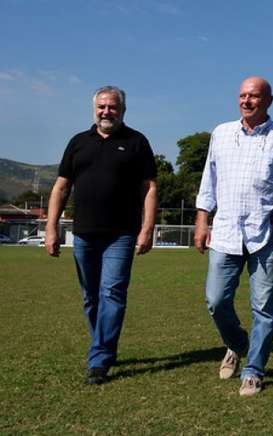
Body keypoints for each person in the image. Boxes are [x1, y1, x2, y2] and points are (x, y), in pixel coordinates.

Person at [195, 76, 273, 397]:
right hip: (227, 230)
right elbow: (209, 180)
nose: (247, 101)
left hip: (266, 233)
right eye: (243, 95)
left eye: (254, 96)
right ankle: (236, 344)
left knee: (264, 307)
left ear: (269, 100)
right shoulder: (221, 133)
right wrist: (202, 220)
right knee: (216, 301)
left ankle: (254, 370)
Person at [45, 85, 158, 385]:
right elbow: (60, 187)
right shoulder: (78, 142)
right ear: (94, 109)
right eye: (102, 107)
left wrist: (147, 229)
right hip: (83, 234)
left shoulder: (136, 142)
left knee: (112, 294)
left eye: (113, 107)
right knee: (90, 297)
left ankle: (100, 359)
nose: (107, 112)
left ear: (123, 110)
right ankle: (104, 345)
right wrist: (50, 226)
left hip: (121, 234)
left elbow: (149, 189)